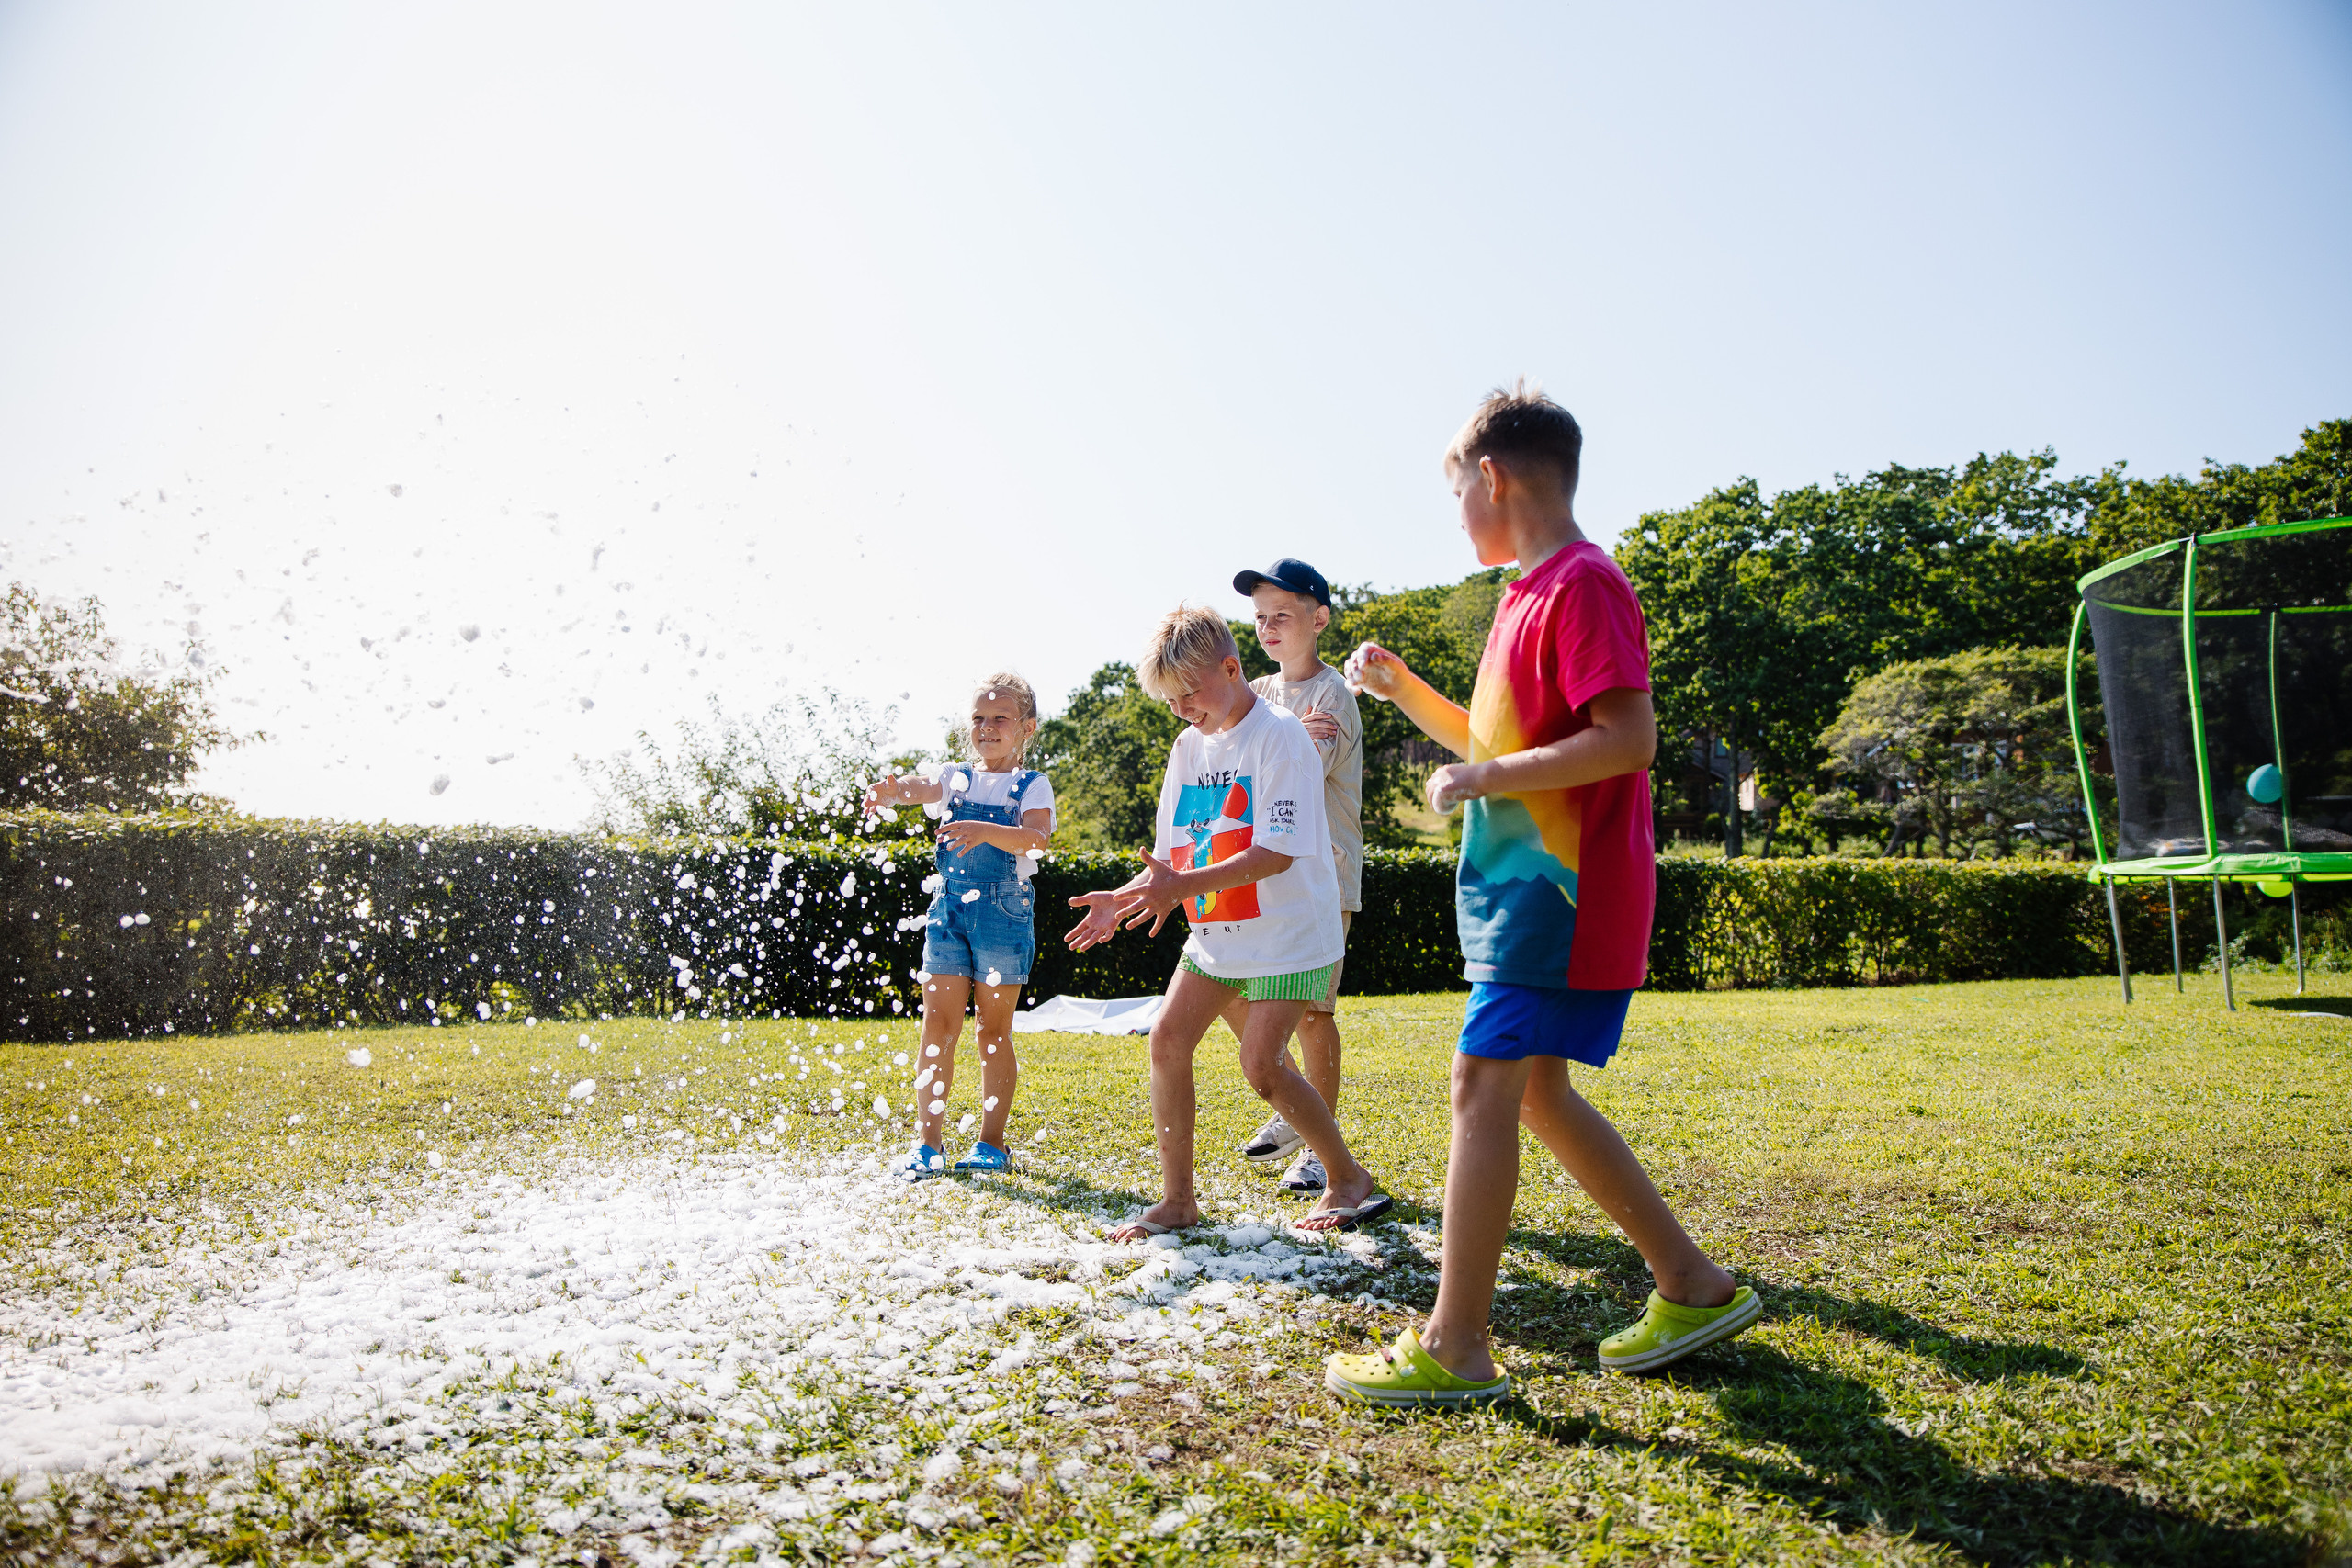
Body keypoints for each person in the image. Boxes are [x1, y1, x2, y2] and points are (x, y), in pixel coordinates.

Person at [1324, 382, 1758, 1406]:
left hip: (1560, 899)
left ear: (1492, 477)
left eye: (1458, 497)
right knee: (1540, 1095)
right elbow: (1498, 747)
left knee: (1483, 1087)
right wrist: (1404, 694)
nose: (1459, 519)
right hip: (1523, 900)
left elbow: (1627, 739)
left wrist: (1483, 782)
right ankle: (1691, 1285)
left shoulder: (1582, 584)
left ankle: (1456, 1344)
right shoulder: (1523, 595)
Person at [1066, 605, 1392, 1240]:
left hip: (1293, 934)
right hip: (1219, 934)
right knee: (1167, 1041)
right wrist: (1124, 897)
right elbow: (1170, 860)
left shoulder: (1281, 735)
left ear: (1232, 667)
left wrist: (1178, 887)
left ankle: (1348, 1178)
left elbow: (1275, 850)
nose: (1182, 709)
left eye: (1190, 693)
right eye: (1169, 700)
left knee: (1262, 1064)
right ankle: (1178, 1201)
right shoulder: (1187, 747)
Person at [865, 674, 1054, 1180]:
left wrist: (984, 830)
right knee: (937, 1027)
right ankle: (929, 1143)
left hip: (1004, 915)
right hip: (948, 912)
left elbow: (1036, 840)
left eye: (1000, 718)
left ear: (1026, 728)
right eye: (977, 718)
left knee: (992, 1032)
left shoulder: (1031, 784)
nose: (986, 727)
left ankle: (992, 1142)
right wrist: (891, 790)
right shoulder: (955, 778)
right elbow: (918, 788)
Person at [1225, 558, 1363, 1197]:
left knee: (1312, 1010)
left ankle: (1315, 1144)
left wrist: (1265, 752)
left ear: (1319, 618)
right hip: (1264, 871)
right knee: (1237, 988)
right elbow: (1231, 768)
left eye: (1283, 615)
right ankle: (1291, 1107)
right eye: (1259, 618)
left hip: (1323, 876)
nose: (1269, 627)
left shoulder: (1333, 695)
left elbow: (1292, 770)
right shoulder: (1259, 689)